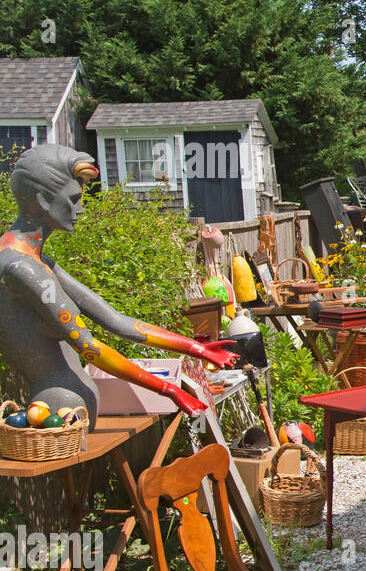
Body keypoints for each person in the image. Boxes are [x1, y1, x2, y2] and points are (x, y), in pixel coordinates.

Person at [0, 145, 235, 426]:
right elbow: (90, 348)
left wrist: (196, 348)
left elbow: (115, 320)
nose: (81, 208)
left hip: (64, 400)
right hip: (61, 405)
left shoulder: (32, 259)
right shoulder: (23, 269)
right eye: (74, 199)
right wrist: (168, 389)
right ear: (42, 200)